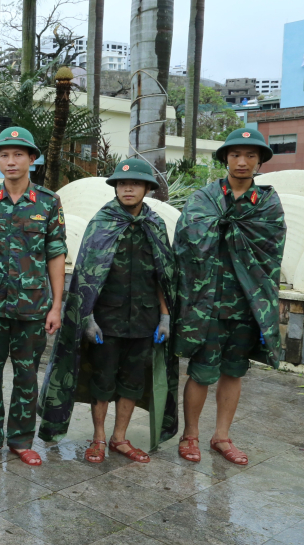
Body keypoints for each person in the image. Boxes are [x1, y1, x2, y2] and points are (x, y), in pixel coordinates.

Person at [38, 158, 178, 463]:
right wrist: (86, 317)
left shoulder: (154, 224)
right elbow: (86, 274)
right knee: (103, 381)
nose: (128, 188)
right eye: (123, 184)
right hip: (106, 320)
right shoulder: (102, 222)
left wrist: (166, 315)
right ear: (115, 187)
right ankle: (99, 438)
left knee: (132, 381)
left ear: (147, 189)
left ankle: (120, 438)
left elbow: (163, 275)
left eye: (136, 183)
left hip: (144, 320)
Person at [174, 128, 286, 465]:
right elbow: (186, 240)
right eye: (236, 154)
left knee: (234, 372)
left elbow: (272, 246)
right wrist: (221, 225)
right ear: (225, 158)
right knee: (201, 372)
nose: (242, 162)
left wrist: (230, 227)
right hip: (206, 303)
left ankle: (221, 436)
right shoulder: (204, 198)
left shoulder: (267, 203)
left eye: (251, 156)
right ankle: (190, 435)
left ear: (259, 161)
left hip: (245, 304)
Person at [0, 127, 67, 467]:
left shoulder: (49, 203)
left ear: (32, 159)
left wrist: (55, 306)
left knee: (26, 377)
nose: (11, 161)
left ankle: (22, 440)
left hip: (33, 307)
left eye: (18, 154)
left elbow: (56, 255)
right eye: (4, 155)